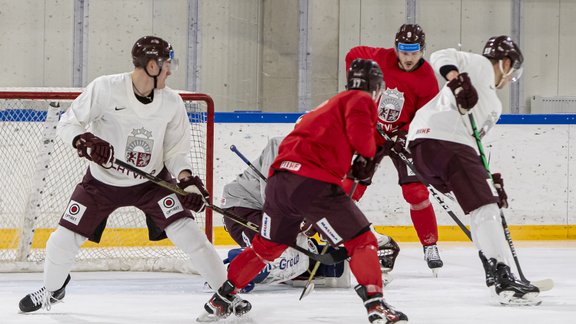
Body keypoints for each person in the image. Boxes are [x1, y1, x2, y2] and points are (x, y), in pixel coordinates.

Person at [18, 36, 244, 313]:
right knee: (61, 242)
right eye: (166, 65)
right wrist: (85, 141)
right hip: (101, 183)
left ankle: (227, 296)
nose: (170, 71)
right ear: (151, 66)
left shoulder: (171, 103)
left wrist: (187, 182)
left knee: (192, 237)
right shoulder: (105, 88)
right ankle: (52, 290)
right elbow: (68, 123)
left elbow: (175, 154)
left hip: (151, 184)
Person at [198, 59, 408, 324]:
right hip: (312, 184)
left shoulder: (327, 107)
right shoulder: (361, 100)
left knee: (267, 248)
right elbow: (363, 147)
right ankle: (376, 305)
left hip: (279, 185)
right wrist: (374, 153)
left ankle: (222, 299)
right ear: (377, 88)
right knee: (362, 241)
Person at [406, 35, 540, 306]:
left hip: (427, 151)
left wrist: (488, 180)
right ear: (505, 62)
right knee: (485, 210)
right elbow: (441, 54)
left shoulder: (494, 105)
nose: (511, 75)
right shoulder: (478, 65)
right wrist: (456, 80)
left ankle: (496, 275)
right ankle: (502, 279)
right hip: (443, 140)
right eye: (512, 68)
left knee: (482, 207)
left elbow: (471, 140)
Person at [221, 136, 398, 290]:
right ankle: (235, 269)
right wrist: (305, 220)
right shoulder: (280, 146)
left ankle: (285, 260)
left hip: (278, 214)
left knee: (304, 257)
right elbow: (273, 200)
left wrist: (368, 239)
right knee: (287, 255)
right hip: (243, 211)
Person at [344, 24, 443, 274]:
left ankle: (430, 245)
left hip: (404, 138)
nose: (408, 57)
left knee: (417, 193)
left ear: (422, 50)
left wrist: (405, 133)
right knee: (349, 189)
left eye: (414, 52)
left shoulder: (428, 78)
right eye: (404, 51)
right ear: (396, 48)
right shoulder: (381, 57)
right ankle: (335, 235)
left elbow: (427, 116)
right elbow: (352, 54)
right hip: (373, 134)